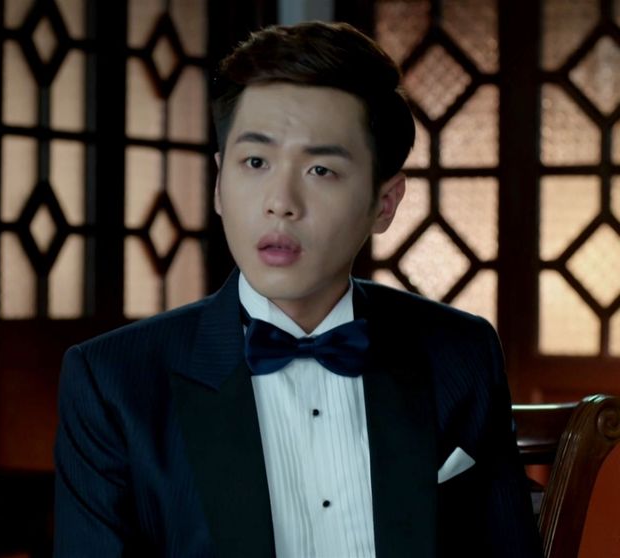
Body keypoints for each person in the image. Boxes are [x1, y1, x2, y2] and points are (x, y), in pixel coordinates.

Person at [53, 21, 543, 558]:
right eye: (255, 162)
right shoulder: (112, 382)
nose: (281, 202)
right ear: (218, 184)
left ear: (385, 204)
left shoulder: (460, 354)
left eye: (321, 169)